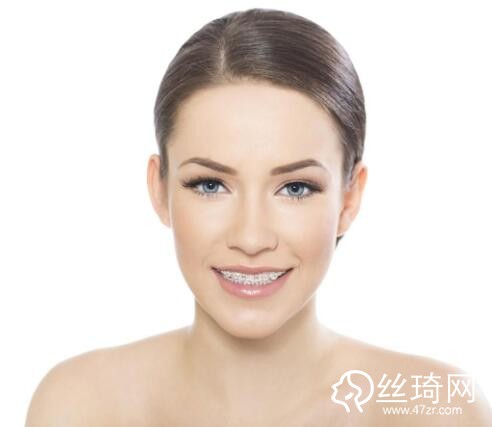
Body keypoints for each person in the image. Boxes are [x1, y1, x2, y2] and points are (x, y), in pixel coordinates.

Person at [25, 7, 491, 426]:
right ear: (160, 189)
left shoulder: (440, 412)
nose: (250, 238)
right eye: (210, 185)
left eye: (296, 188)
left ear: (349, 199)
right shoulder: (80, 406)